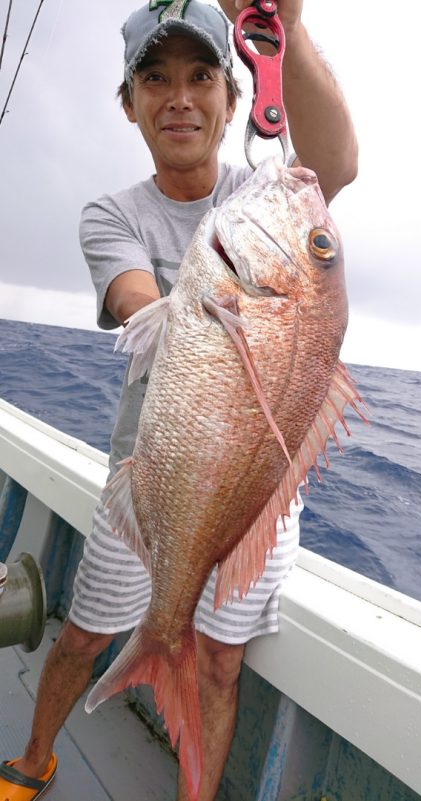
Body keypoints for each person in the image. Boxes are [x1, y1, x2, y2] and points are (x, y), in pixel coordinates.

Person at [0, 1, 357, 799]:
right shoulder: (113, 213)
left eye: (202, 75)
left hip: (252, 488)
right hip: (149, 476)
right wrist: (179, 311)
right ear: (129, 105)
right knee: (85, 632)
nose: (180, 97)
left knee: (220, 660)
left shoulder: (271, 192)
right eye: (154, 79)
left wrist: (286, 32)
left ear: (234, 100)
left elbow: (336, 158)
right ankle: (33, 756)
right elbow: (133, 297)